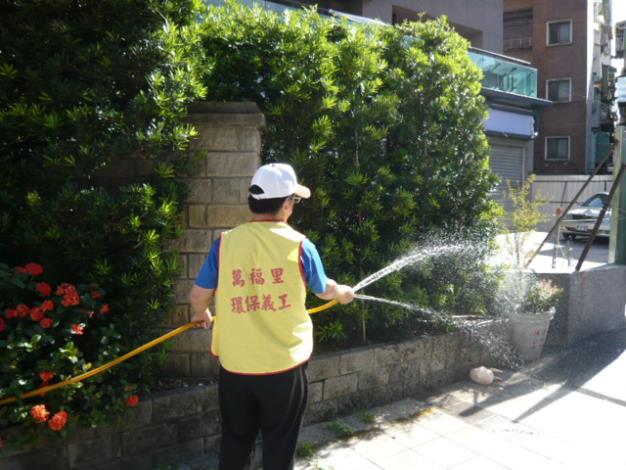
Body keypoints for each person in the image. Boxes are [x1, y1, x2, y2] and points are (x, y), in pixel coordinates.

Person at [189, 162, 355, 470]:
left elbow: (198, 296)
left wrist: (203, 314)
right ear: (286, 204)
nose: (294, 205)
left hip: (235, 368)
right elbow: (324, 289)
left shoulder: (225, 242)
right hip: (284, 369)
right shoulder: (300, 245)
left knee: (236, 443)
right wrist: (343, 292)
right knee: (279, 447)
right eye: (294, 199)